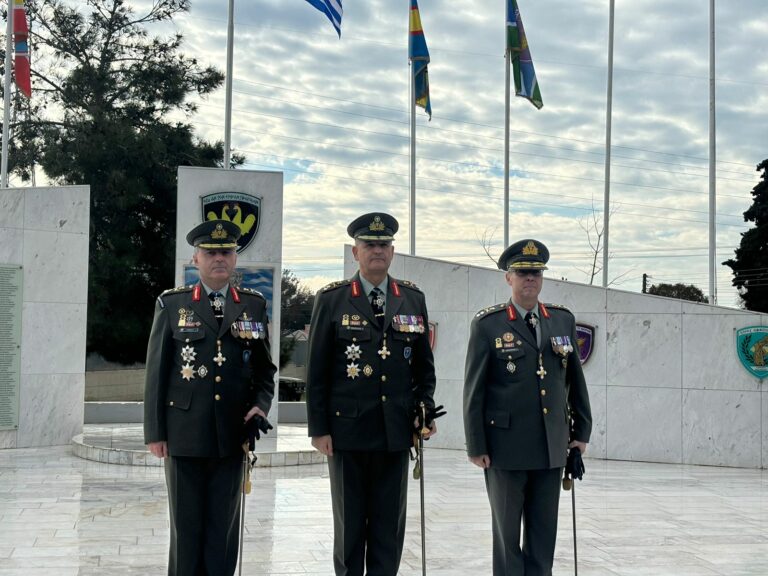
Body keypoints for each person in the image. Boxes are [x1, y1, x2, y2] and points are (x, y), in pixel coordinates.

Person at [306, 212, 439, 576]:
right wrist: (318, 428)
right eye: (369, 245)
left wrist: (423, 409)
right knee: (349, 531)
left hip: (395, 433)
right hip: (346, 433)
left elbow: (424, 370)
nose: (377, 251)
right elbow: (316, 371)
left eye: (383, 245)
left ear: (392, 252)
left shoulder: (411, 299)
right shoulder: (332, 300)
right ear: (355, 252)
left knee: (388, 531)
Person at [144, 219, 276, 576]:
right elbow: (156, 373)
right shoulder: (173, 305)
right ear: (196, 258)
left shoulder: (253, 305)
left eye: (226, 252)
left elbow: (266, 370)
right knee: (186, 531)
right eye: (211, 252)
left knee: (223, 531)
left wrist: (260, 406)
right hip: (184, 435)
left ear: (235, 259)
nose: (219, 258)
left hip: (233, 436)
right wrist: (155, 433)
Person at [463, 238, 592, 576]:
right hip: (505, 449)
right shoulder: (488, 325)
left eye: (535, 272)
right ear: (509, 277)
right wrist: (476, 445)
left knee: (543, 536)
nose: (529, 278)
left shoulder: (561, 320)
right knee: (507, 540)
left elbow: (574, 380)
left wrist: (581, 432)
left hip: (551, 447)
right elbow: (474, 390)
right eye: (522, 272)